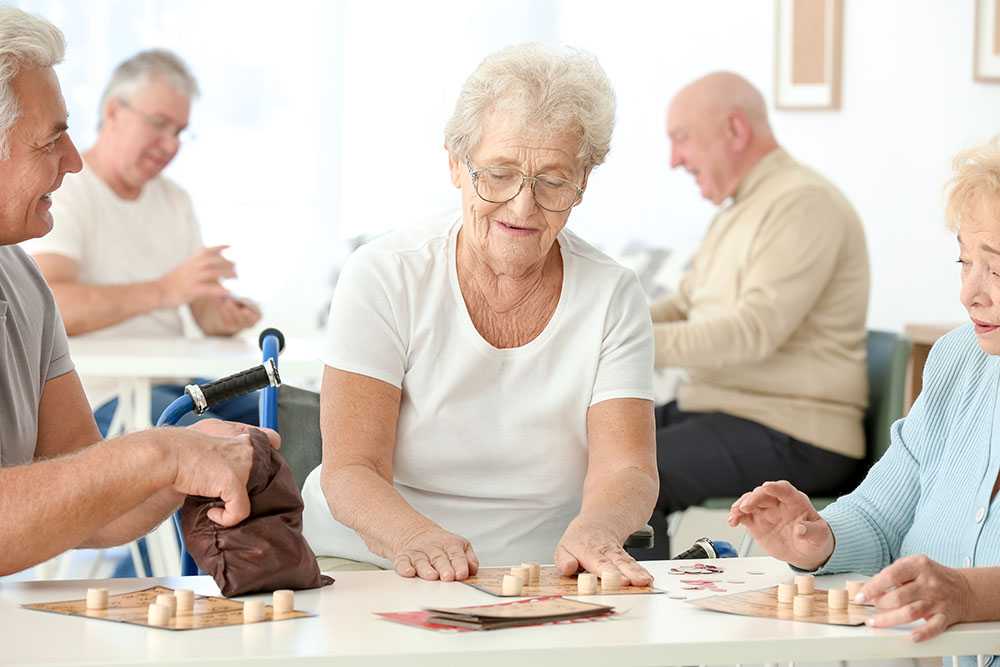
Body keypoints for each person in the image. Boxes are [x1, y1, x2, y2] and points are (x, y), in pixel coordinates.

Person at [301, 43, 658, 584]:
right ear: (455, 164)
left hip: (541, 571)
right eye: (499, 173)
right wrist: (415, 538)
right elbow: (352, 470)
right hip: (372, 559)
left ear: (584, 182)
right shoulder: (384, 274)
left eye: (553, 180)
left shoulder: (613, 294)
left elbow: (626, 468)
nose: (522, 205)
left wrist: (599, 530)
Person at [0, 7, 279, 577]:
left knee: (270, 425)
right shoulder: (69, 221)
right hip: (127, 396)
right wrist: (158, 452)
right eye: (51, 139)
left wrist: (183, 457)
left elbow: (90, 506)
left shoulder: (24, 282)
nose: (73, 160)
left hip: (169, 390)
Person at [730, 140, 1000, 651]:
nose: (970, 292)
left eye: (997, 267)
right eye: (965, 261)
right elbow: (881, 514)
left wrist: (970, 593)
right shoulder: (956, 359)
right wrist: (817, 538)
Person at [646, 72, 870, 557]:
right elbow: (685, 304)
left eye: (681, 138)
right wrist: (607, 324)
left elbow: (753, 333)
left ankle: (637, 614)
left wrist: (628, 342)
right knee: (594, 440)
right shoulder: (736, 209)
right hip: (728, 410)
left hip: (795, 431)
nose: (673, 159)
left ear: (735, 129)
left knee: (633, 475)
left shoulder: (802, 203)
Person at [25, 49, 261, 435]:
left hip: (177, 380)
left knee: (290, 413)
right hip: (106, 392)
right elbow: (56, 307)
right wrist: (166, 290)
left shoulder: (174, 199)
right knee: (218, 437)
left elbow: (200, 308)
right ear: (114, 112)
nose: (170, 145)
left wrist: (223, 315)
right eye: (159, 124)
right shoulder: (66, 191)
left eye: (179, 132)